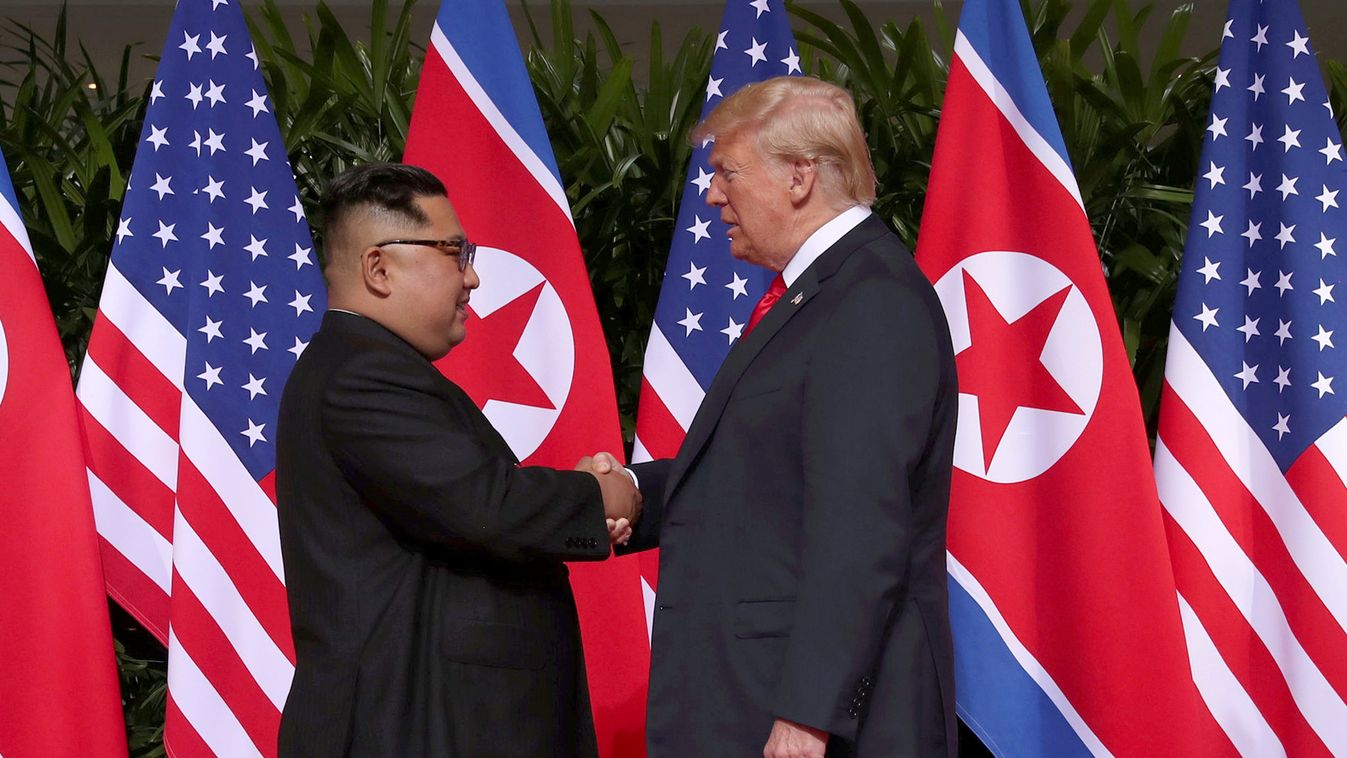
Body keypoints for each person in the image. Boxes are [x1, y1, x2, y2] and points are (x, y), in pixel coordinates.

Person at [608, 76, 959, 757]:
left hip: (808, 722)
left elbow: (862, 524)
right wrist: (629, 491)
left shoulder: (868, 301)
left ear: (799, 176)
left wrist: (808, 713)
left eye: (725, 173)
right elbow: (765, 472)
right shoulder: (821, 294)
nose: (711, 196)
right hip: (753, 698)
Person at [275, 162, 639, 757]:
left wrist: (637, 489)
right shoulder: (362, 375)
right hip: (407, 730)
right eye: (454, 251)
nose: (471, 277)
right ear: (379, 267)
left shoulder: (365, 366)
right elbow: (487, 507)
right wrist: (603, 495)